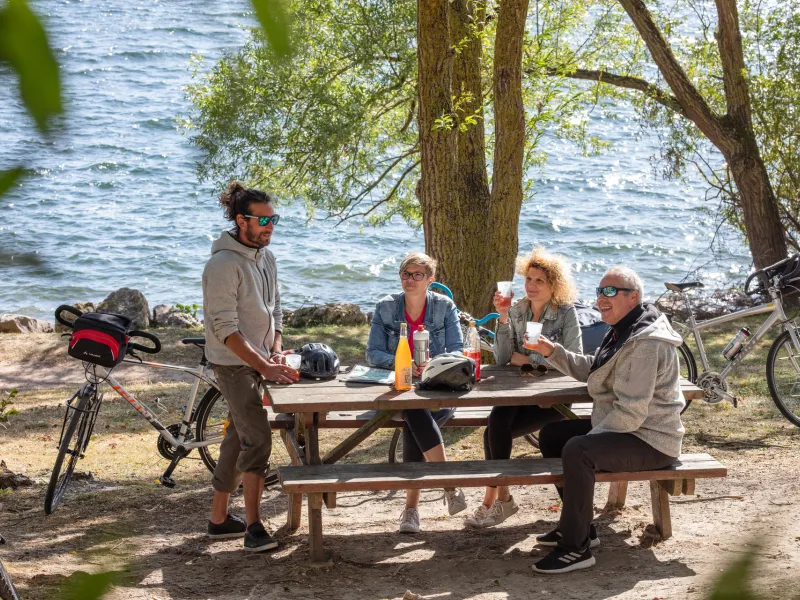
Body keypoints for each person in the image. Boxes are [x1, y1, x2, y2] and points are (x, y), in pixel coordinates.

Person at [526, 266, 685, 574]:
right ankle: (580, 525)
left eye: (610, 291)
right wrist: (552, 351)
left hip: (652, 439)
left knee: (578, 450)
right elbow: (596, 368)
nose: (601, 298)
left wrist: (589, 441)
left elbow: (632, 412)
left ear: (633, 297)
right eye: (599, 291)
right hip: (632, 428)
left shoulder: (645, 343)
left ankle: (575, 548)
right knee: (553, 436)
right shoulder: (626, 328)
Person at [202, 181, 299, 552]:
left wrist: (275, 351)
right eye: (263, 220)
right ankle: (254, 527)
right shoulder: (223, 265)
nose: (270, 226)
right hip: (233, 364)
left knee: (237, 437)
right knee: (256, 438)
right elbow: (225, 330)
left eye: (273, 219)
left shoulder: (266, 258)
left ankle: (218, 520)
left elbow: (276, 310)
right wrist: (264, 366)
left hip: (260, 359)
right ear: (241, 220)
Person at [466, 247, 583, 528]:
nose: (531, 285)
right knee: (496, 425)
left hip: (552, 398)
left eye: (539, 280)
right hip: (519, 392)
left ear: (554, 285)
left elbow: (575, 359)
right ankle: (500, 500)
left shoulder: (566, 313)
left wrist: (529, 360)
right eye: (529, 279)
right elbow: (503, 358)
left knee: (493, 432)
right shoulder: (518, 310)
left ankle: (494, 501)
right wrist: (503, 317)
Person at [366, 252, 467, 533]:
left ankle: (411, 511)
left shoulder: (444, 307)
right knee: (413, 409)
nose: (410, 280)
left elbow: (457, 351)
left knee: (414, 416)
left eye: (417, 275)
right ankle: (448, 485)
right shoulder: (386, 307)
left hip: (438, 387)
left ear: (430, 280)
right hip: (398, 389)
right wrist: (403, 363)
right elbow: (372, 353)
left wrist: (433, 364)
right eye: (406, 274)